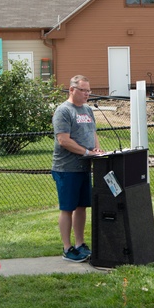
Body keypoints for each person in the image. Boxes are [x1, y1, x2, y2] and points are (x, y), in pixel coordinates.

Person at [52, 74, 103, 262]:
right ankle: (67, 248)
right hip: (66, 168)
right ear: (72, 90)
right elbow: (63, 140)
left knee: (82, 207)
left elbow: (92, 132)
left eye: (89, 90)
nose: (87, 94)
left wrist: (96, 148)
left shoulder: (88, 110)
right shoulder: (63, 111)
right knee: (68, 208)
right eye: (83, 90)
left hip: (84, 168)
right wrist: (87, 153)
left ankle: (80, 244)